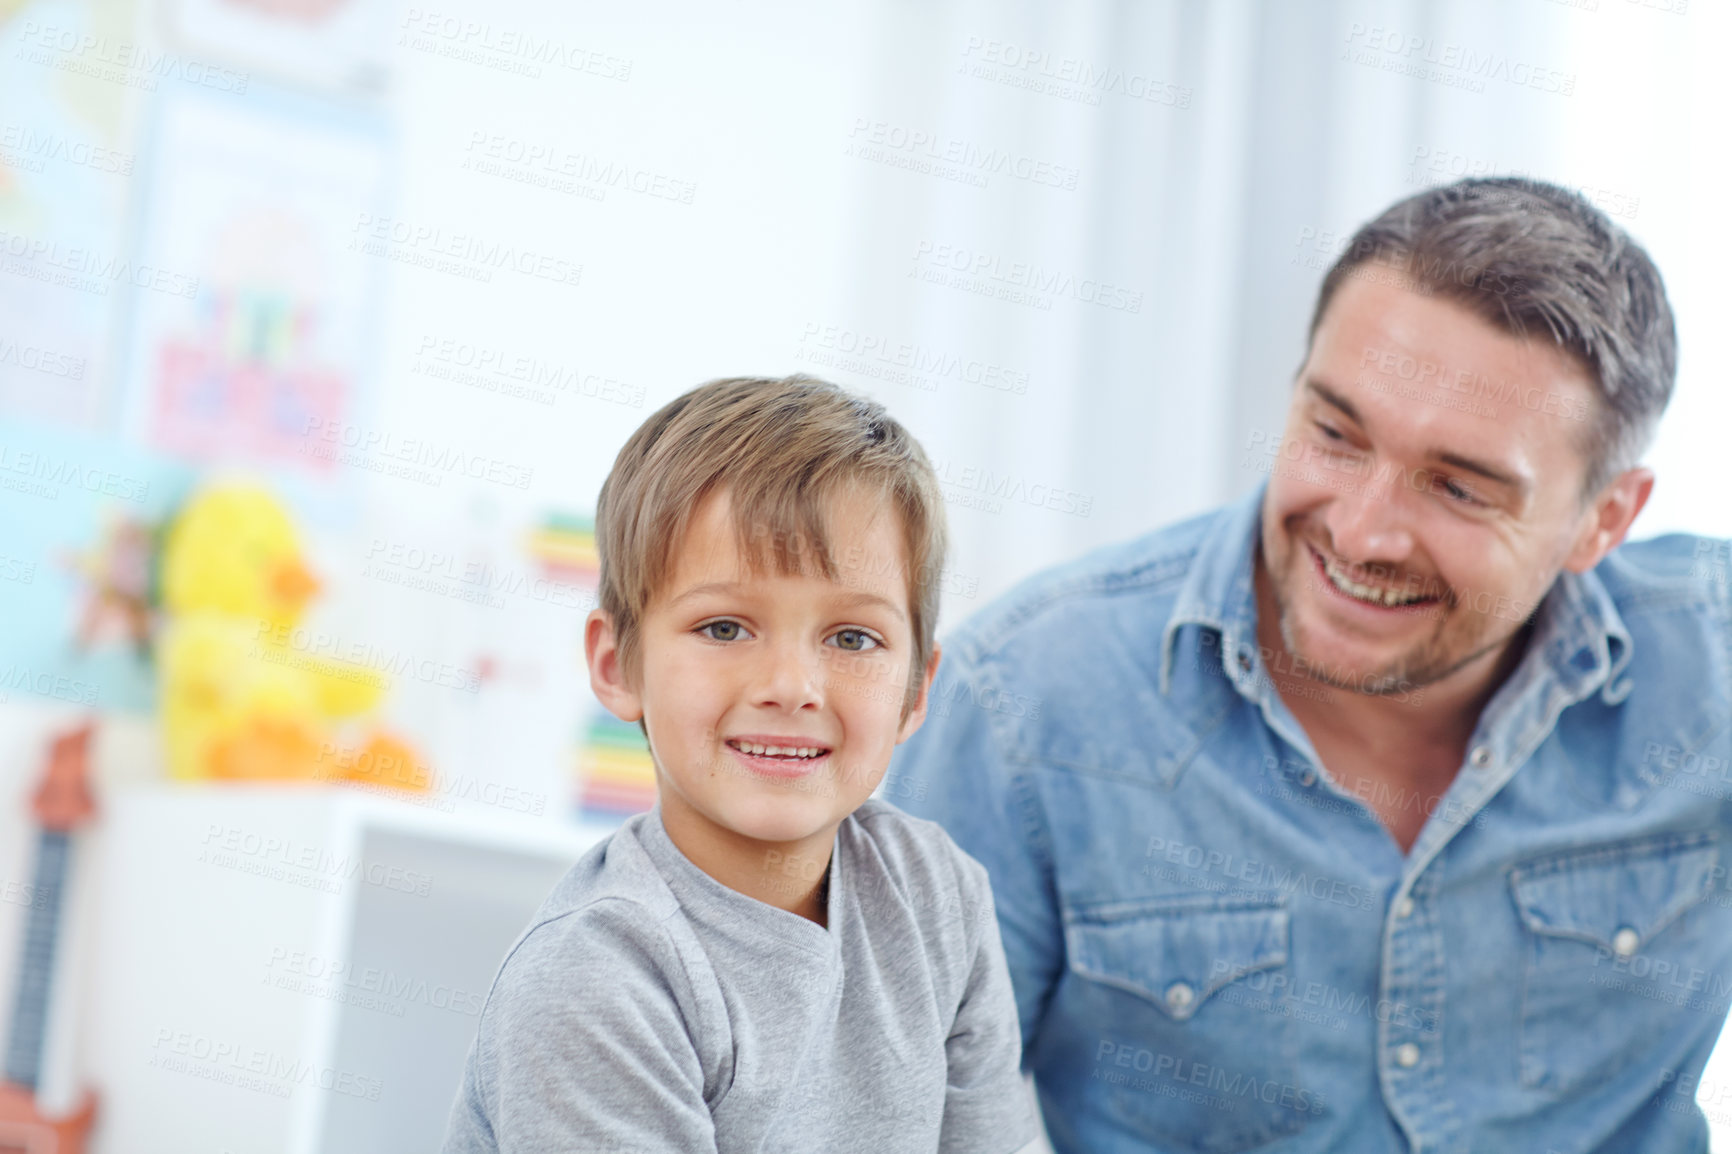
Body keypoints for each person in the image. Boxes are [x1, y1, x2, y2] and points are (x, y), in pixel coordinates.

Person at [887, 177, 1732, 1153]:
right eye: (1335, 433)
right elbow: (891, 1113)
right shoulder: (1026, 702)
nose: (1361, 531)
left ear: (1603, 519)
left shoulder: (1708, 670)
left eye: (1458, 487)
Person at [442, 375, 1036, 1153]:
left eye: (852, 639)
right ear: (619, 664)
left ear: (915, 692)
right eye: (725, 627)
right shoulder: (595, 980)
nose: (790, 687)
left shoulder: (940, 897)